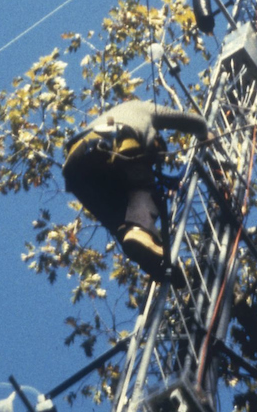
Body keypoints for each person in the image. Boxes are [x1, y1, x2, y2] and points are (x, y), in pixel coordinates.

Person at [62, 100, 208, 280]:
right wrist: (204, 133)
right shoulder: (142, 107)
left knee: (122, 224)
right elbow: (186, 120)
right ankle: (140, 233)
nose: (156, 160)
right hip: (115, 141)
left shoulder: (116, 114)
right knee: (145, 191)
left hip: (78, 168)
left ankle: (151, 256)